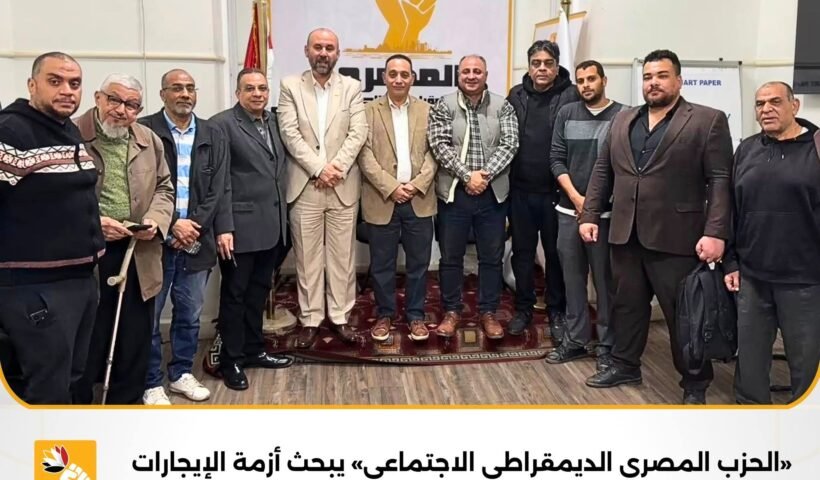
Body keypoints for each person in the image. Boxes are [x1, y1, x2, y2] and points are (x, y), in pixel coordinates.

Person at [579, 50, 733, 404]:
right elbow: (603, 170)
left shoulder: (707, 120)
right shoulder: (623, 120)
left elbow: (720, 180)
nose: (653, 83)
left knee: (684, 315)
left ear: (678, 80)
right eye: (648, 77)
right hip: (626, 234)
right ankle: (625, 364)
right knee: (627, 306)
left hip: (677, 237)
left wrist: (716, 232)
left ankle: (694, 382)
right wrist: (589, 214)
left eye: (662, 76)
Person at [0, 52, 104, 404]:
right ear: (32, 85)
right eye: (55, 81)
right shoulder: (11, 132)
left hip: (79, 279)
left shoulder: (67, 129)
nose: (67, 91)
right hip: (35, 287)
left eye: (75, 83)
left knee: (73, 377)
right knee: (48, 388)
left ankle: (69, 438)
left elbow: (57, 197)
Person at [74, 73, 175, 404]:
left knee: (134, 337)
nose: (121, 110)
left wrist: (155, 220)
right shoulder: (71, 135)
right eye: (114, 100)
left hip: (138, 251)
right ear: (98, 98)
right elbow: (56, 199)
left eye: (131, 105)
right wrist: (94, 223)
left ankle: (126, 407)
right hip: (88, 252)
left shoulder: (148, 139)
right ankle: (81, 412)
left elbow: (164, 187)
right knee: (90, 335)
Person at [724, 81, 820, 404]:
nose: (766, 109)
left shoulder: (816, 147)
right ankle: (753, 415)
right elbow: (732, 210)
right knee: (750, 363)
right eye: (760, 104)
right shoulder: (747, 150)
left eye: (775, 102)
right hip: (753, 277)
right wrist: (731, 262)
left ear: (795, 106)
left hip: (805, 279)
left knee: (807, 363)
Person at [138, 69, 230, 404]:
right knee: (149, 317)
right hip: (154, 241)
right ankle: (151, 381)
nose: (185, 94)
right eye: (177, 88)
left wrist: (193, 226)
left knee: (189, 315)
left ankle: (180, 374)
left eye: (190, 88)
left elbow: (218, 187)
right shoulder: (144, 130)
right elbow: (140, 187)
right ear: (162, 94)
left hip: (196, 241)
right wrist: (173, 223)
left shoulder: (212, 133)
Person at [278, 28, 368, 348]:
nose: (323, 53)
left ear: (338, 54)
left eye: (330, 48)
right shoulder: (290, 86)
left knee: (343, 258)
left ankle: (341, 317)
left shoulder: (352, 87)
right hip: (306, 185)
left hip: (342, 184)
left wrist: (334, 169)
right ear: (307, 50)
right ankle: (311, 318)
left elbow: (358, 133)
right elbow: (289, 133)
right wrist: (319, 169)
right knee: (308, 258)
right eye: (318, 47)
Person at [209, 68, 294, 391]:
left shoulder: (274, 121)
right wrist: (223, 226)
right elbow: (219, 181)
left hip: (272, 226)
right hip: (238, 229)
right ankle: (231, 360)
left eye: (262, 88)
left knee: (258, 293)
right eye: (250, 88)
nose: (257, 94)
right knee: (234, 295)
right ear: (238, 93)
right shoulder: (222, 125)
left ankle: (254, 349)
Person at [427, 54, 519, 339]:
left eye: (477, 71)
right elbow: (439, 145)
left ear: (486, 75)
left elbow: (510, 144)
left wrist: (483, 176)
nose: (471, 76)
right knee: (450, 257)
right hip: (455, 194)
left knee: (491, 258)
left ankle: (488, 312)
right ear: (458, 75)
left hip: (492, 195)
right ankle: (452, 311)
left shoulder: (503, 106)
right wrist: (468, 176)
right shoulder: (443, 105)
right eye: (465, 71)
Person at [548, 60, 626, 371]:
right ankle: (576, 340)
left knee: (605, 284)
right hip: (569, 211)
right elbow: (556, 159)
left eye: (591, 79)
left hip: (606, 216)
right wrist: (578, 199)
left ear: (604, 80)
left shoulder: (623, 116)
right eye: (580, 80)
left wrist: (593, 205)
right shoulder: (566, 113)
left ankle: (607, 345)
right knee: (572, 280)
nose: (586, 85)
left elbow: (625, 166)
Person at [358, 54, 437, 342]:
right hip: (382, 199)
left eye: (404, 74)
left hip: (419, 199)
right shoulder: (367, 111)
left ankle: (415, 315)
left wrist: (416, 185)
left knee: (418, 264)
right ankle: (385, 314)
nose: (399, 79)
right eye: (393, 74)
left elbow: (435, 152)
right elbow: (363, 155)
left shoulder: (429, 111)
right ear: (384, 77)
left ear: (412, 78)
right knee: (382, 265)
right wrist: (391, 186)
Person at [506, 40, 579, 339]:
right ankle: (523, 308)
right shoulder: (516, 95)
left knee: (554, 254)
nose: (542, 69)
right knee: (522, 253)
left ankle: (556, 310)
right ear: (529, 66)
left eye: (548, 63)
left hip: (555, 193)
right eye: (536, 63)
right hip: (520, 191)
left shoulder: (572, 95)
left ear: (557, 66)